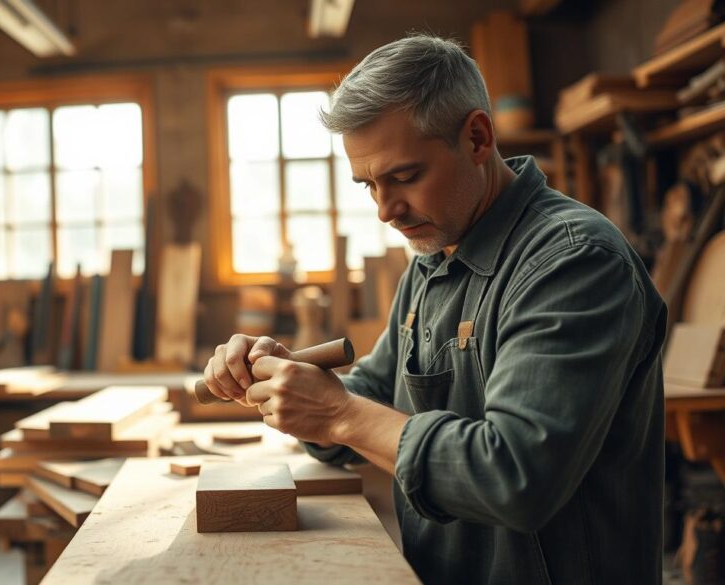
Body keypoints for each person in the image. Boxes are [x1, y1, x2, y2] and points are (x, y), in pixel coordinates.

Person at [202, 35, 666, 585]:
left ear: (476, 137)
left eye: (403, 177)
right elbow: (372, 396)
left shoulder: (574, 262)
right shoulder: (435, 259)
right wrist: (294, 381)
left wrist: (338, 414)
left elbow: (515, 477)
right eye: (368, 185)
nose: (385, 210)